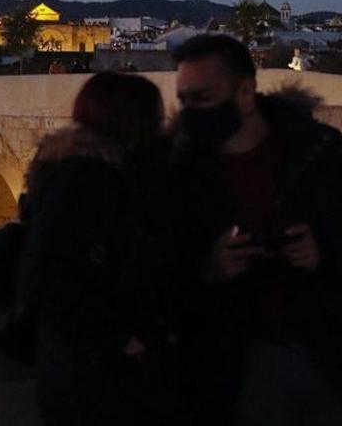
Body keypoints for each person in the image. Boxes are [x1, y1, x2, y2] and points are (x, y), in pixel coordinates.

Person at [170, 34, 342, 425]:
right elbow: (160, 268)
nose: (191, 112)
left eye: (203, 97)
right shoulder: (179, 171)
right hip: (237, 364)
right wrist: (211, 266)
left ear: (245, 92)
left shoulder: (322, 153)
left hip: (326, 353)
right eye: (185, 100)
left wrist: (324, 252)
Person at [20, 72, 178, 425]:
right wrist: (119, 339)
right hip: (96, 375)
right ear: (131, 120)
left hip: (82, 372)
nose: (161, 124)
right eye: (155, 116)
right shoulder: (85, 181)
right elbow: (46, 278)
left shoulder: (97, 174)